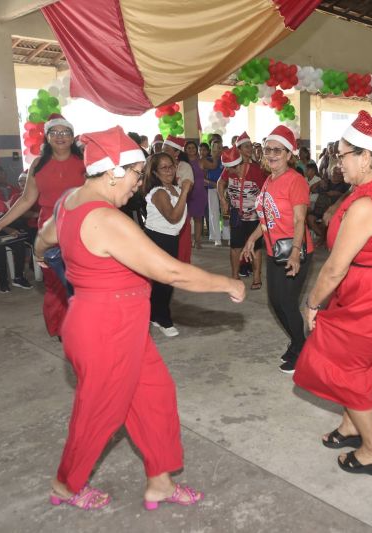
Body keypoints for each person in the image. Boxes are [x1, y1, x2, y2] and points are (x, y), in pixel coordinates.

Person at [34, 126, 244, 511]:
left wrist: (60, 261)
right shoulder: (105, 219)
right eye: (134, 173)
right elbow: (171, 272)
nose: (136, 183)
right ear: (113, 170)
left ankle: (159, 483)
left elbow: (43, 241)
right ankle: (65, 484)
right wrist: (226, 283)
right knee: (98, 412)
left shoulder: (68, 202)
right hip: (106, 329)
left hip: (117, 325)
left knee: (155, 397)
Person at [293, 110, 372, 476]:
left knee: (345, 366)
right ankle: (351, 427)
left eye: (342, 154)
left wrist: (312, 304)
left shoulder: (367, 204)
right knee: (356, 361)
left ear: (366, 157)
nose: (337, 162)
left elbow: (334, 267)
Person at [0, 114, 85, 337]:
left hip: (81, 228)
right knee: (55, 282)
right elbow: (27, 199)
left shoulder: (84, 162)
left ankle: (83, 324)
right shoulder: (38, 164)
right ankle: (62, 326)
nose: (60, 137)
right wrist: (0, 223)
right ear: (47, 137)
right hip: (49, 230)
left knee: (82, 281)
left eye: (65, 132)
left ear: (72, 136)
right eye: (54, 132)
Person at [241, 125, 313, 374]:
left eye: (278, 150)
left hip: (294, 251)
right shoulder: (270, 181)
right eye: (268, 149)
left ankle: (302, 350)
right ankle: (297, 342)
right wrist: (252, 239)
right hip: (274, 252)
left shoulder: (296, 181)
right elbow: (266, 218)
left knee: (287, 303)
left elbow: (299, 220)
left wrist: (295, 251)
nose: (271, 154)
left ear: (289, 154)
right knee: (275, 302)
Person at [142, 152, 188, 337]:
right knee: (166, 280)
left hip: (170, 237)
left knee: (164, 280)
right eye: (164, 167)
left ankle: (154, 314)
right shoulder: (160, 192)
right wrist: (185, 191)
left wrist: (181, 190)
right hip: (158, 238)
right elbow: (173, 217)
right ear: (154, 172)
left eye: (171, 166)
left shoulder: (173, 188)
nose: (169, 170)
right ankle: (163, 319)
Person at [218, 132, 267, 288]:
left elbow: (266, 192)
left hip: (254, 216)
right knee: (235, 247)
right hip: (236, 214)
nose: (228, 172)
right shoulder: (229, 169)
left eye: (230, 169)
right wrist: (223, 200)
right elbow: (220, 183)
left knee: (255, 247)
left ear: (238, 164)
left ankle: (257, 277)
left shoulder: (256, 171)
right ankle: (234, 277)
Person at [160, 136, 194, 263]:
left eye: (166, 150)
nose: (162, 153)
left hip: (179, 211)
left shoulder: (184, 167)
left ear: (177, 153)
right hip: (161, 212)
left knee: (181, 248)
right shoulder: (156, 165)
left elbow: (187, 189)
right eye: (162, 149)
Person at [204, 135, 228, 245]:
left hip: (224, 189)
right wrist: (212, 183)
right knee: (214, 212)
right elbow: (203, 177)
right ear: (211, 148)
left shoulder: (226, 159)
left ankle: (227, 236)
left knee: (226, 212)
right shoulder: (207, 160)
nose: (218, 149)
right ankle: (216, 237)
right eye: (215, 147)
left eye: (220, 147)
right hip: (212, 188)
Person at [184, 140, 208, 249]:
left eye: (193, 148)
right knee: (186, 219)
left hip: (199, 192)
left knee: (198, 219)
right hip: (186, 192)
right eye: (189, 148)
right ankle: (187, 241)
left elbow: (211, 169)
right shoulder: (183, 163)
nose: (191, 150)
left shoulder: (201, 161)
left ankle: (197, 241)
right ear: (185, 150)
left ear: (196, 149)